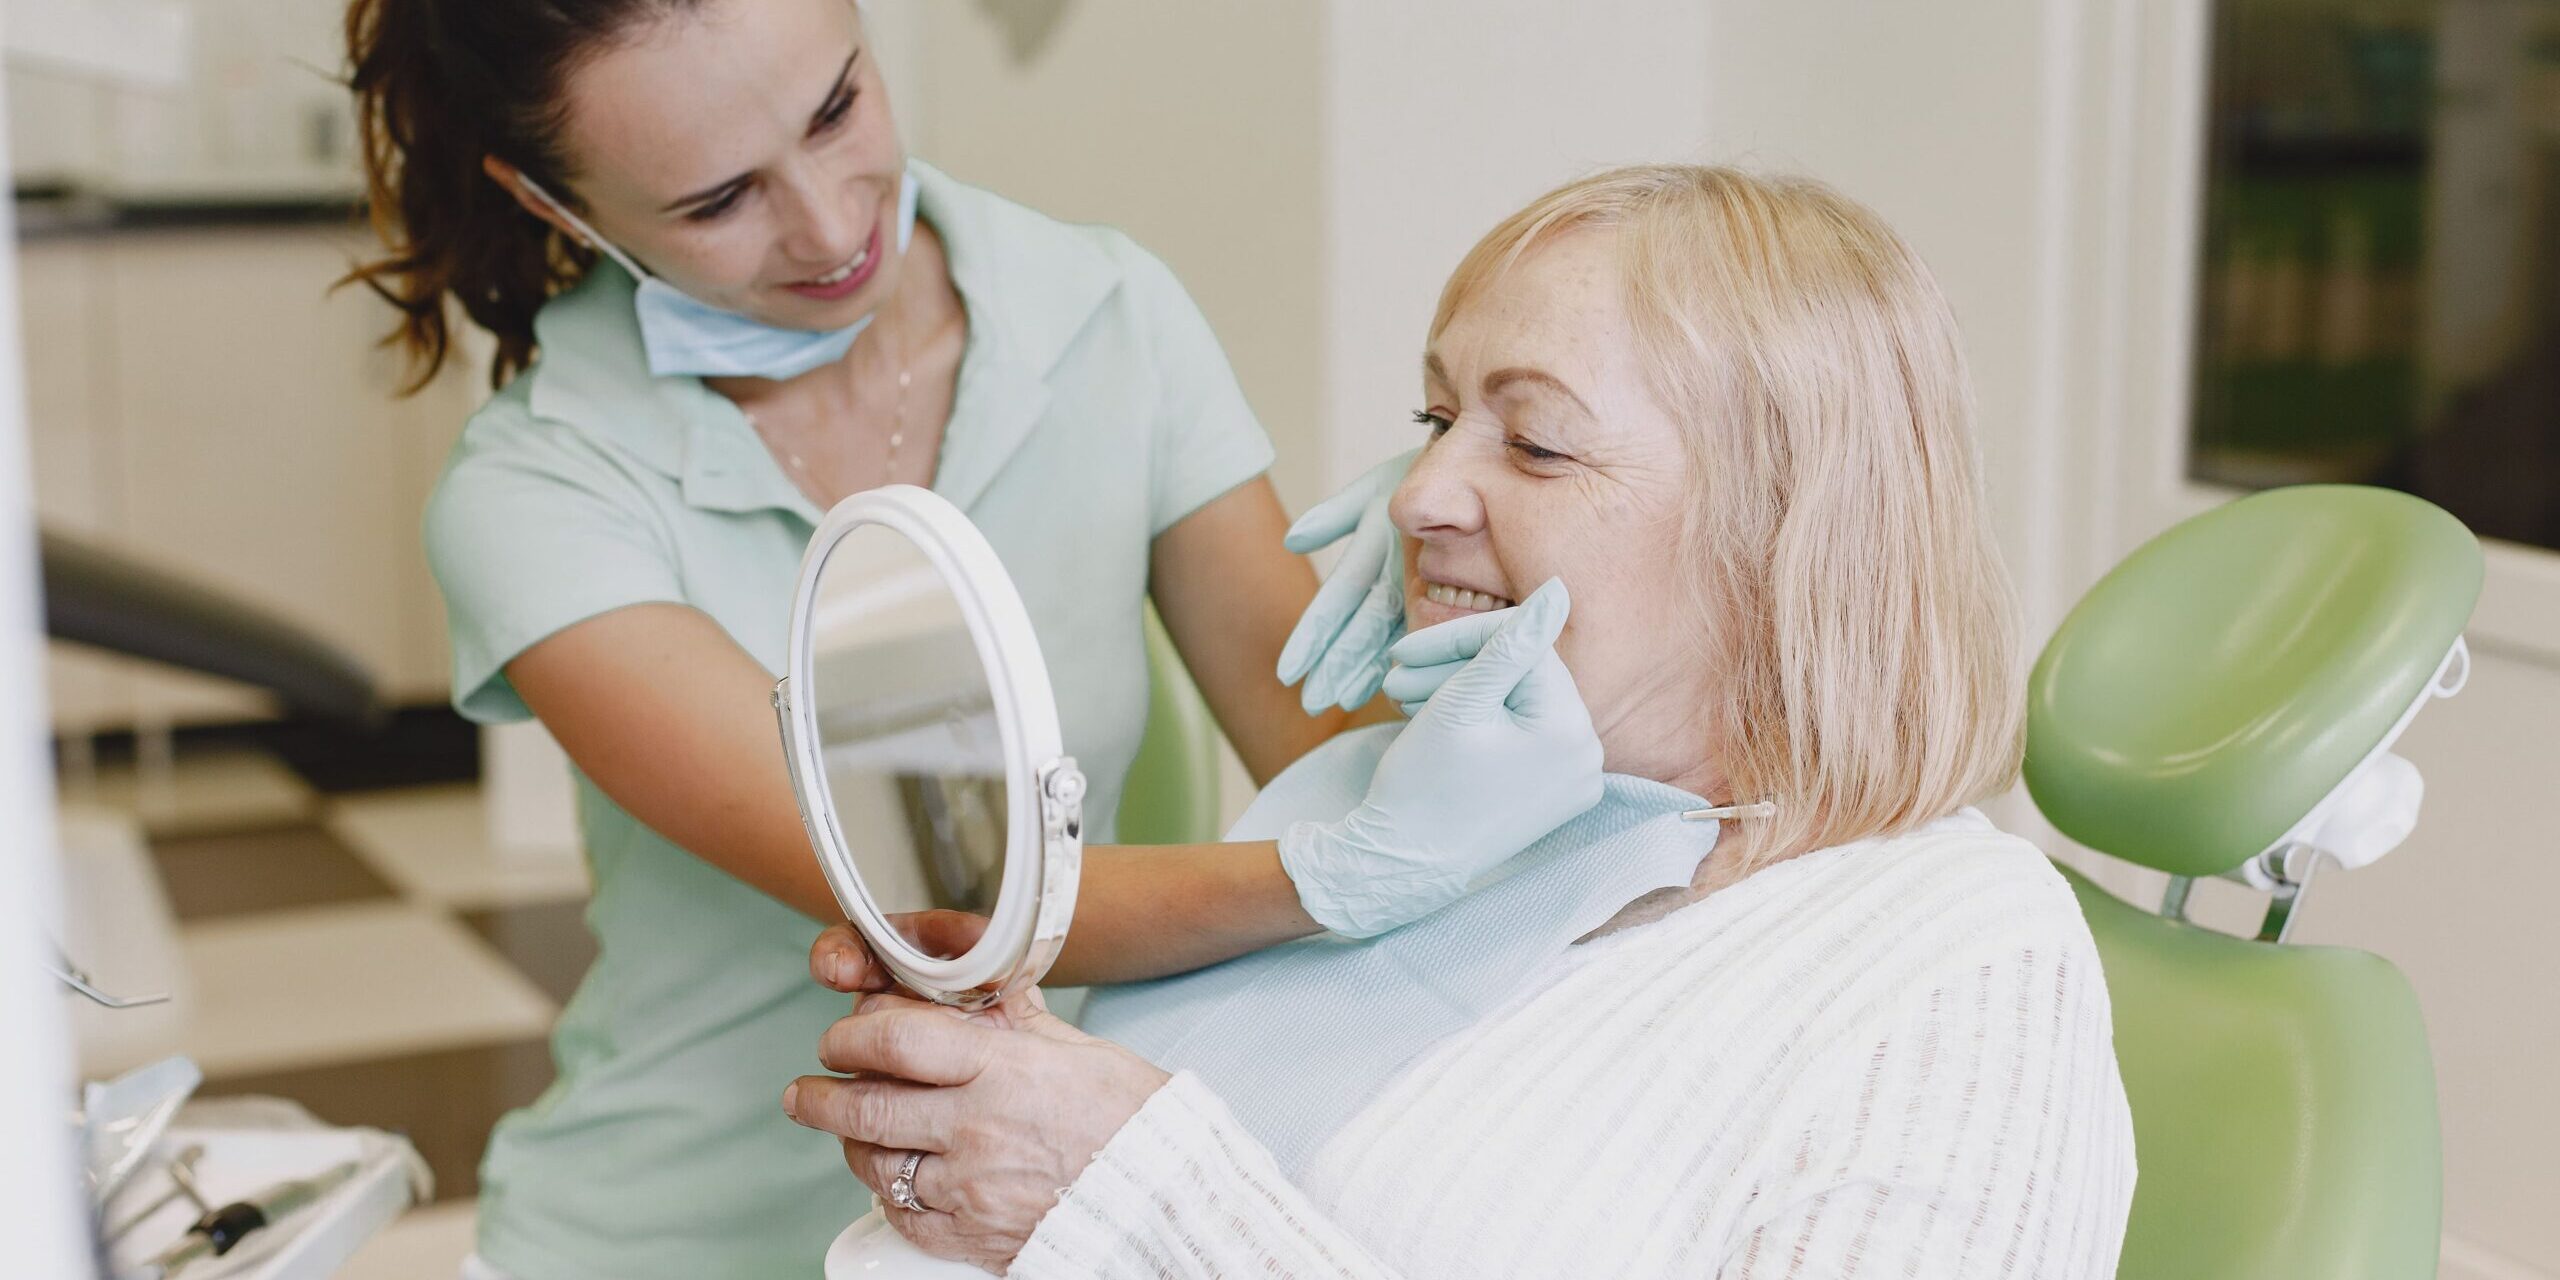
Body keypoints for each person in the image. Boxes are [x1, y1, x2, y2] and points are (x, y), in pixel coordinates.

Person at [342, 0, 1604, 1275]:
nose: (833, 227)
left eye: (837, 108)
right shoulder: (539, 491)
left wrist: (1474, 550)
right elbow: (944, 894)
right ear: (556, 203)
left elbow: (1328, 752)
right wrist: (1331, 872)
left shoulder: (1103, 312)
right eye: (717, 199)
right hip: (673, 1239)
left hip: (1031, 1216)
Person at [790, 164, 2140, 1277]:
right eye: (1434, 417)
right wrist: (989, 1112)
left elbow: (1152, 1198)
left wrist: (1128, 1194)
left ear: (1786, 536)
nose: (1415, 494)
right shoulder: (1434, 810)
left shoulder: (1956, 961)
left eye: (1536, 442)